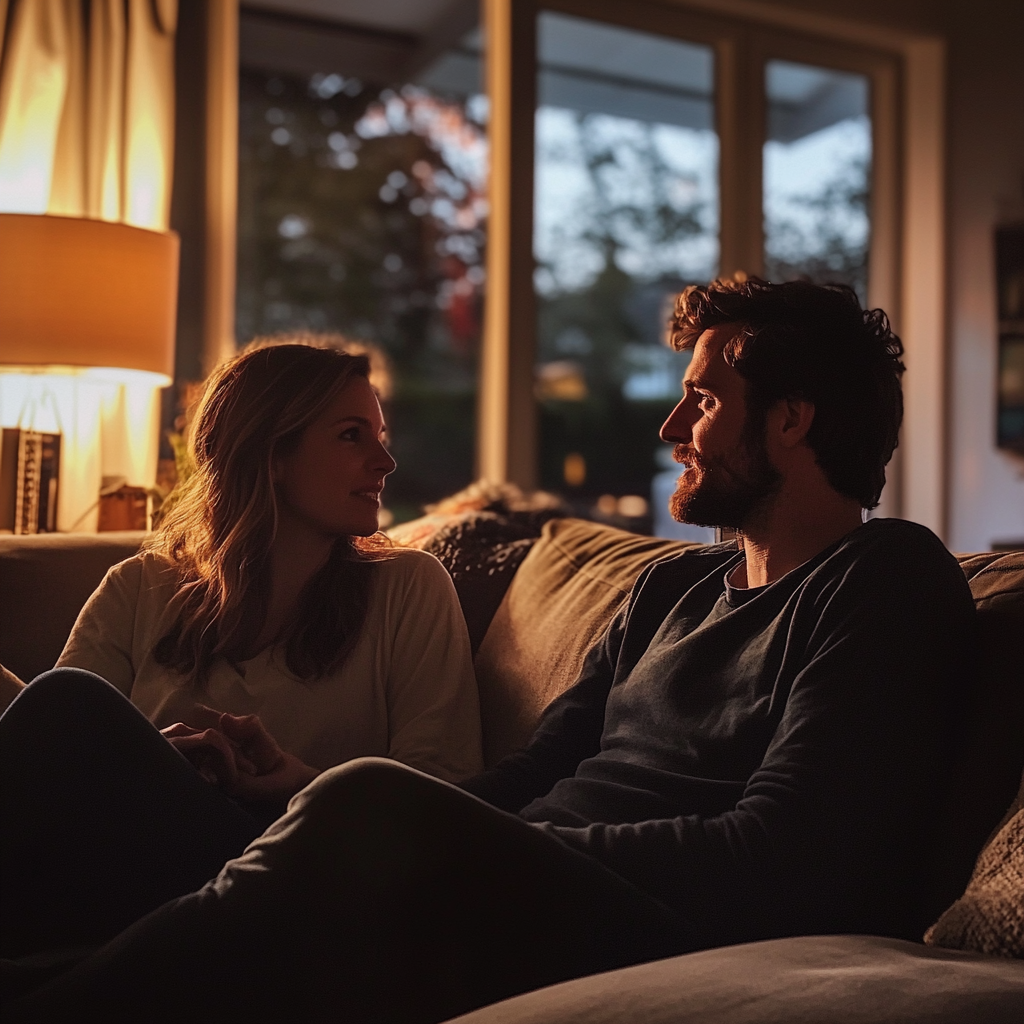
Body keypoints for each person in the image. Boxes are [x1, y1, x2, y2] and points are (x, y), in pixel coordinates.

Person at [3, 280, 977, 1024]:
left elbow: (783, 856)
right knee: (73, 715)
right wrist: (306, 786)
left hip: (627, 919)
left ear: (791, 420)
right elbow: (528, 775)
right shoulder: (666, 589)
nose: (669, 426)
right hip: (501, 878)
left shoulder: (884, 576)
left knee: (368, 804)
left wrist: (468, 838)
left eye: (702, 401)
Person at [0, 342, 482, 963]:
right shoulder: (137, 588)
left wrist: (297, 783)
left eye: (379, 435)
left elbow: (445, 797)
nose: (385, 460)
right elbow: (59, 765)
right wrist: (157, 760)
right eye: (350, 436)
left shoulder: (409, 588)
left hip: (290, 867)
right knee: (62, 704)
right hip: (122, 863)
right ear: (270, 454)